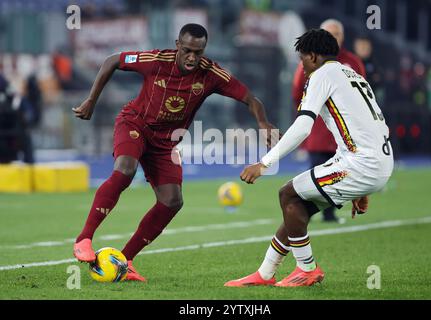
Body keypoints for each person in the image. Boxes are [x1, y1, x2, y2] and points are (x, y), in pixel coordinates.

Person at [72, 24, 277, 281]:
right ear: (177, 45)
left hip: (165, 144)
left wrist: (262, 122)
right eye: (188, 50)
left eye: (198, 52)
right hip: (135, 124)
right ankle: (84, 239)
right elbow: (112, 61)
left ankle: (125, 260)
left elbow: (251, 99)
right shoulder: (156, 60)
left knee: (172, 201)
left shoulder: (211, 74)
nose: (192, 57)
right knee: (125, 170)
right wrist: (91, 100)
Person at [225, 29, 393, 287]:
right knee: (300, 205)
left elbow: (303, 127)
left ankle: (307, 269)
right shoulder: (353, 74)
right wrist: (364, 185)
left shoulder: (321, 75)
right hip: (375, 159)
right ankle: (265, 273)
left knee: (288, 194)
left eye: (302, 58)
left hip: (361, 164)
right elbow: (372, 125)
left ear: (313, 56)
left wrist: (264, 163)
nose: (301, 65)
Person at [292, 19, 366, 223]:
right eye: (329, 34)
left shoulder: (353, 62)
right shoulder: (310, 61)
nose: (334, 38)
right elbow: (297, 91)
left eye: (337, 34)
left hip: (347, 132)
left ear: (343, 36)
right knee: (316, 171)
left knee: (343, 172)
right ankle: (312, 210)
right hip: (319, 129)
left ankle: (327, 211)